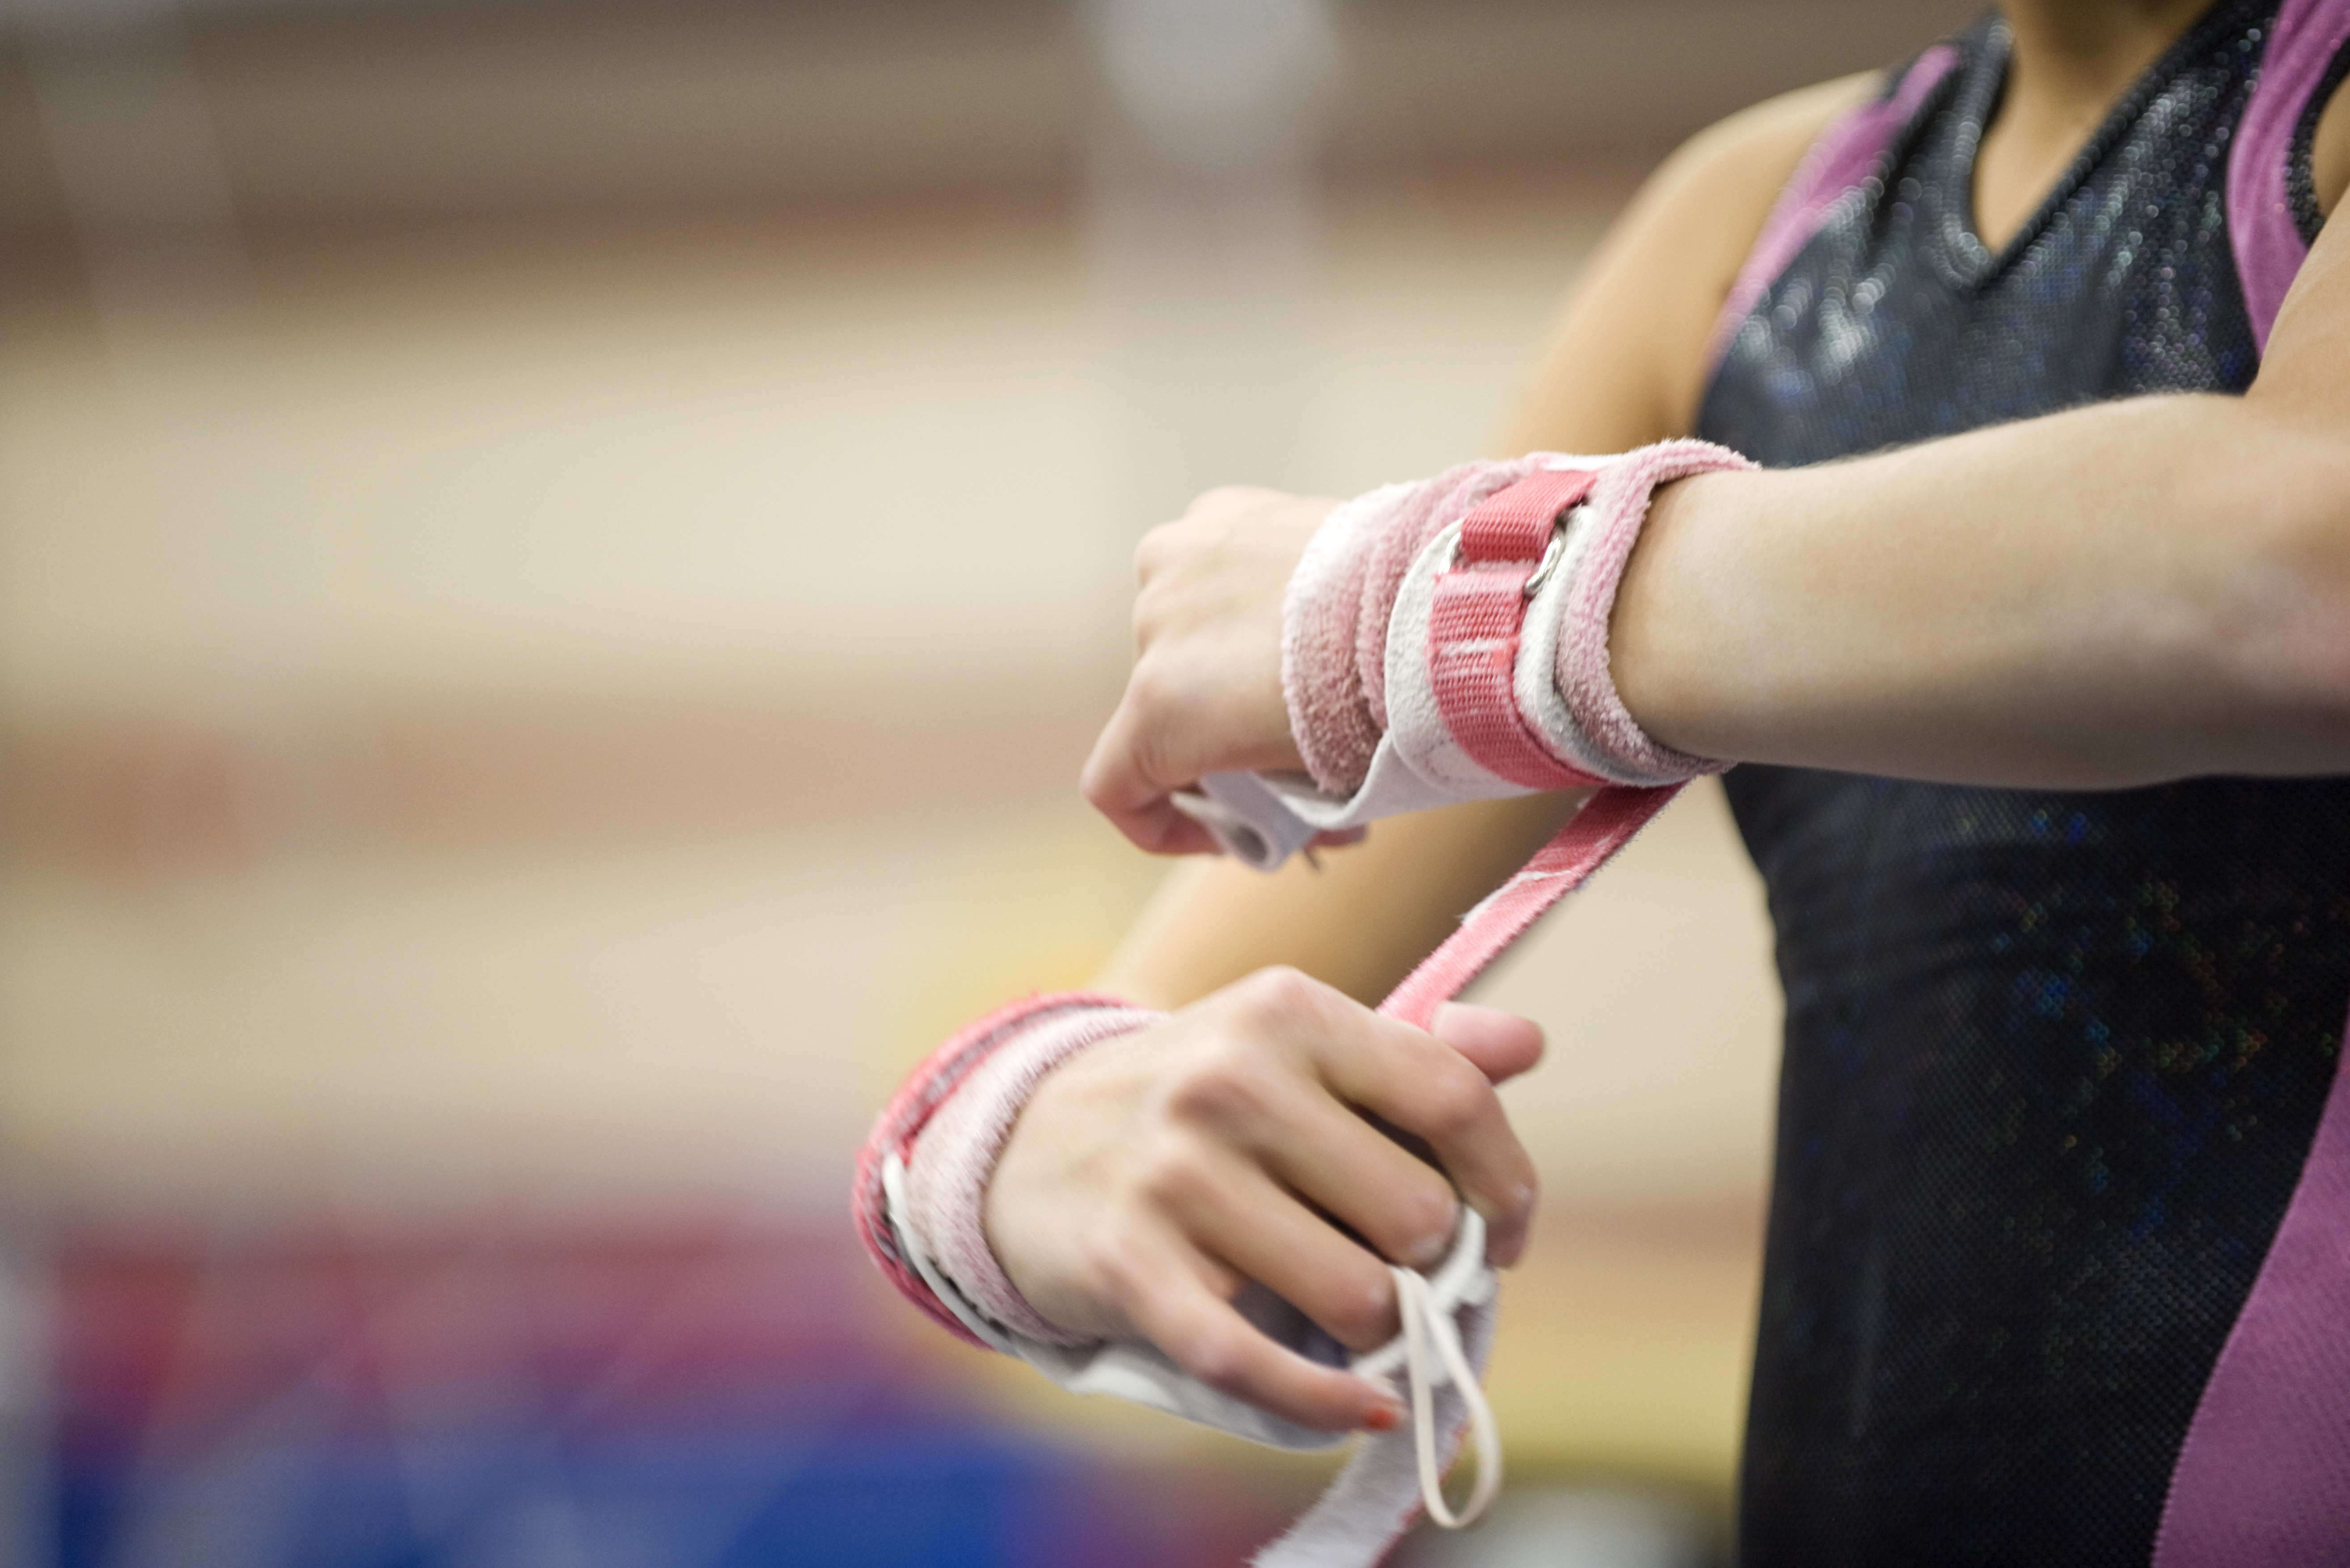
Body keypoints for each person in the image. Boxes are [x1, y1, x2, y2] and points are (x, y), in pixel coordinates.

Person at [861, 0, 2350, 1561]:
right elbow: (1174, 1010)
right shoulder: (1755, 223)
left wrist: (1451, 597)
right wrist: (1021, 1146)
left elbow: (2298, 567)